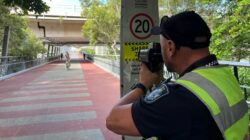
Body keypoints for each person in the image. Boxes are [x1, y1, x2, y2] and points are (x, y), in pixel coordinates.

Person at [106, 11, 249, 140]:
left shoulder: (178, 98)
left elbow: (113, 120)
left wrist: (142, 85)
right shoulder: (225, 75)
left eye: (161, 48)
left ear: (170, 47)